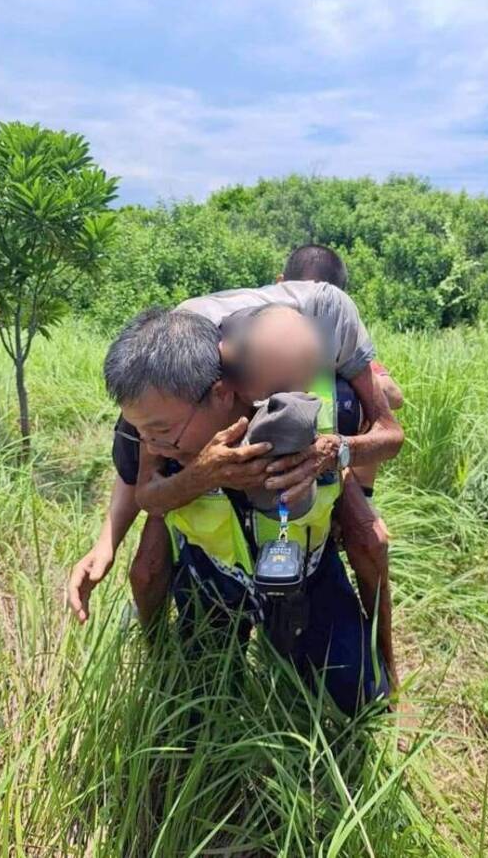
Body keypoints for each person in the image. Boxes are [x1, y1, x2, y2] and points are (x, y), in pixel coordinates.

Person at [103, 306, 401, 716]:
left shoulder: (324, 412)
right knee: (195, 713)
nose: (152, 445)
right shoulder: (158, 435)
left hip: (310, 577)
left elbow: (386, 440)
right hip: (213, 584)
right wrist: (201, 476)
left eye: (162, 432)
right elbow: (148, 501)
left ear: (223, 393)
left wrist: (333, 454)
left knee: (364, 702)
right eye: (143, 432)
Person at [277, 244, 403, 688]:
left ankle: (387, 665)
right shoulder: (261, 327)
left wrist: (361, 382)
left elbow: (391, 398)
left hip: (336, 469)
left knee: (370, 541)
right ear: (280, 289)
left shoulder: (341, 336)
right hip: (275, 469)